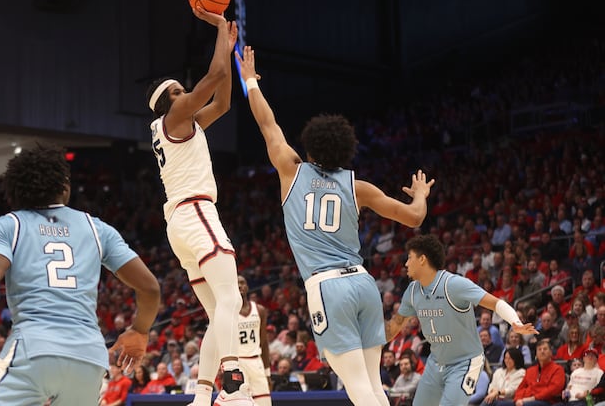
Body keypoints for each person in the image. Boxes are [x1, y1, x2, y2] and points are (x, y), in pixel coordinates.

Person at [235, 45, 435, 406]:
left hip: (328, 288)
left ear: (311, 146)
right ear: (345, 150)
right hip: (363, 283)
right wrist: (420, 193)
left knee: (358, 388)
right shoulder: (358, 187)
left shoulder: (291, 169)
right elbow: (415, 217)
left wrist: (250, 80)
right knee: (374, 385)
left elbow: (268, 124)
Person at [0, 146, 161, 405]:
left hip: (34, 348)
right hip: (90, 358)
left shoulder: (9, 225)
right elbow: (150, 288)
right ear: (64, 186)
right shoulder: (97, 229)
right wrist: (140, 331)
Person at [147, 4, 251, 406]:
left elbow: (222, 102)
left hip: (181, 223)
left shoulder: (180, 128)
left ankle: (203, 396)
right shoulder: (173, 117)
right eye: (177, 92)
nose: (183, 94)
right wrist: (220, 33)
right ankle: (235, 385)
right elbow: (215, 77)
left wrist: (225, 46)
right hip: (195, 212)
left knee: (218, 312)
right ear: (166, 104)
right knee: (232, 300)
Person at [384, 234, 537, 406]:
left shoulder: (454, 284)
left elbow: (495, 302)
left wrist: (515, 321)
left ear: (422, 259)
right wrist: (364, 340)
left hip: (465, 362)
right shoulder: (412, 291)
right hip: (436, 362)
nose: (405, 264)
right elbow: (394, 326)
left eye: (409, 258)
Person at [237, 276, 271, 406]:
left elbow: (264, 342)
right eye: (236, 283)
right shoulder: (228, 312)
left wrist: (267, 372)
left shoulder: (260, 310)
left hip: (256, 362)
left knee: (265, 403)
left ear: (247, 287)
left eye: (242, 282)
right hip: (238, 363)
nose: (240, 285)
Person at [510, 339, 565, 405]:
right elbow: (520, 388)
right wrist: (517, 400)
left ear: (551, 352)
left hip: (547, 401)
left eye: (545, 349)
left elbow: (553, 390)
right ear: (536, 354)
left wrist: (534, 397)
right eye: (539, 349)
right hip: (527, 399)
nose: (542, 351)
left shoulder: (558, 369)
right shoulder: (530, 370)